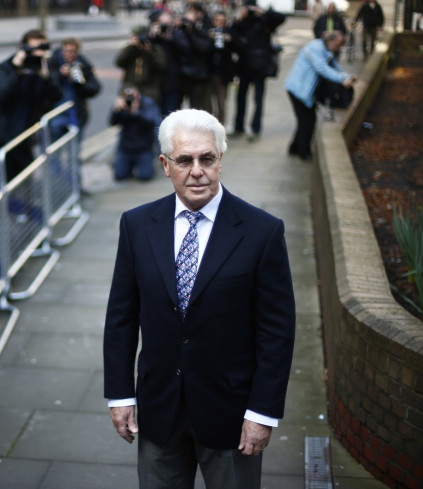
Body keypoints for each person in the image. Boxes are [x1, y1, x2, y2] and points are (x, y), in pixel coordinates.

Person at [103, 108, 296, 489]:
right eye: (184, 160)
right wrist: (120, 394)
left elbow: (277, 330)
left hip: (233, 416)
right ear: (164, 164)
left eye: (207, 158)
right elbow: (121, 316)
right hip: (159, 411)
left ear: (220, 160)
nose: (197, 170)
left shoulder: (262, 231)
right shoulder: (137, 224)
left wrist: (263, 412)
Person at [0, 29, 62, 182]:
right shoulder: (7, 67)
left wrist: (46, 78)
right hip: (3, 140)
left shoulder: (42, 70)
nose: (36, 54)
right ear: (23, 49)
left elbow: (57, 96)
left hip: (24, 140)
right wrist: (16, 70)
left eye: (41, 49)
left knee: (25, 186)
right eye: (32, 49)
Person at [285, 31, 356, 161]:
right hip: (298, 90)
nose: (338, 49)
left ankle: (294, 148)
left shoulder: (326, 50)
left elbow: (335, 66)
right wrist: (341, 79)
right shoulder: (315, 48)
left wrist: (346, 76)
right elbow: (322, 69)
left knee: (304, 120)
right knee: (308, 122)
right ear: (331, 41)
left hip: (304, 92)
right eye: (337, 45)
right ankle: (303, 152)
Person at [230, 0, 285, 141]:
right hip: (244, 67)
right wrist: (238, 19)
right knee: (240, 98)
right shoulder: (243, 22)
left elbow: (281, 18)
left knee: (258, 100)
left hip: (260, 68)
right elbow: (232, 38)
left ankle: (255, 129)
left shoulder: (265, 20)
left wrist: (263, 12)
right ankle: (239, 126)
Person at [47, 37, 102, 143]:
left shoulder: (83, 65)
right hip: (56, 113)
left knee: (74, 150)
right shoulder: (53, 63)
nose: (69, 54)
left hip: (75, 114)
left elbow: (95, 88)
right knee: (54, 150)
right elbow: (45, 85)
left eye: (72, 52)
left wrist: (80, 83)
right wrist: (59, 75)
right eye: (66, 51)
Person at [109, 85, 162, 181]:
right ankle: (128, 166)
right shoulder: (122, 106)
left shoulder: (147, 104)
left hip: (143, 149)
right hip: (126, 149)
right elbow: (112, 122)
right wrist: (116, 110)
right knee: (119, 176)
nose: (131, 99)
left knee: (145, 177)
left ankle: (148, 164)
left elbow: (150, 122)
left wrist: (135, 112)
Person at [115, 25, 167, 106]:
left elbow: (161, 66)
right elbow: (119, 63)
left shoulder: (155, 49)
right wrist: (131, 47)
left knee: (148, 116)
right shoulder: (131, 50)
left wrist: (150, 51)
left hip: (149, 91)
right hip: (130, 89)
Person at [206, 10, 236, 123]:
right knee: (207, 105)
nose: (219, 24)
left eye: (222, 21)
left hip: (223, 75)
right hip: (209, 73)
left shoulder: (229, 33)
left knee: (221, 104)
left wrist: (229, 40)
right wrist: (209, 39)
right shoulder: (207, 32)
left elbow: (237, 48)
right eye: (217, 21)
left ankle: (220, 129)